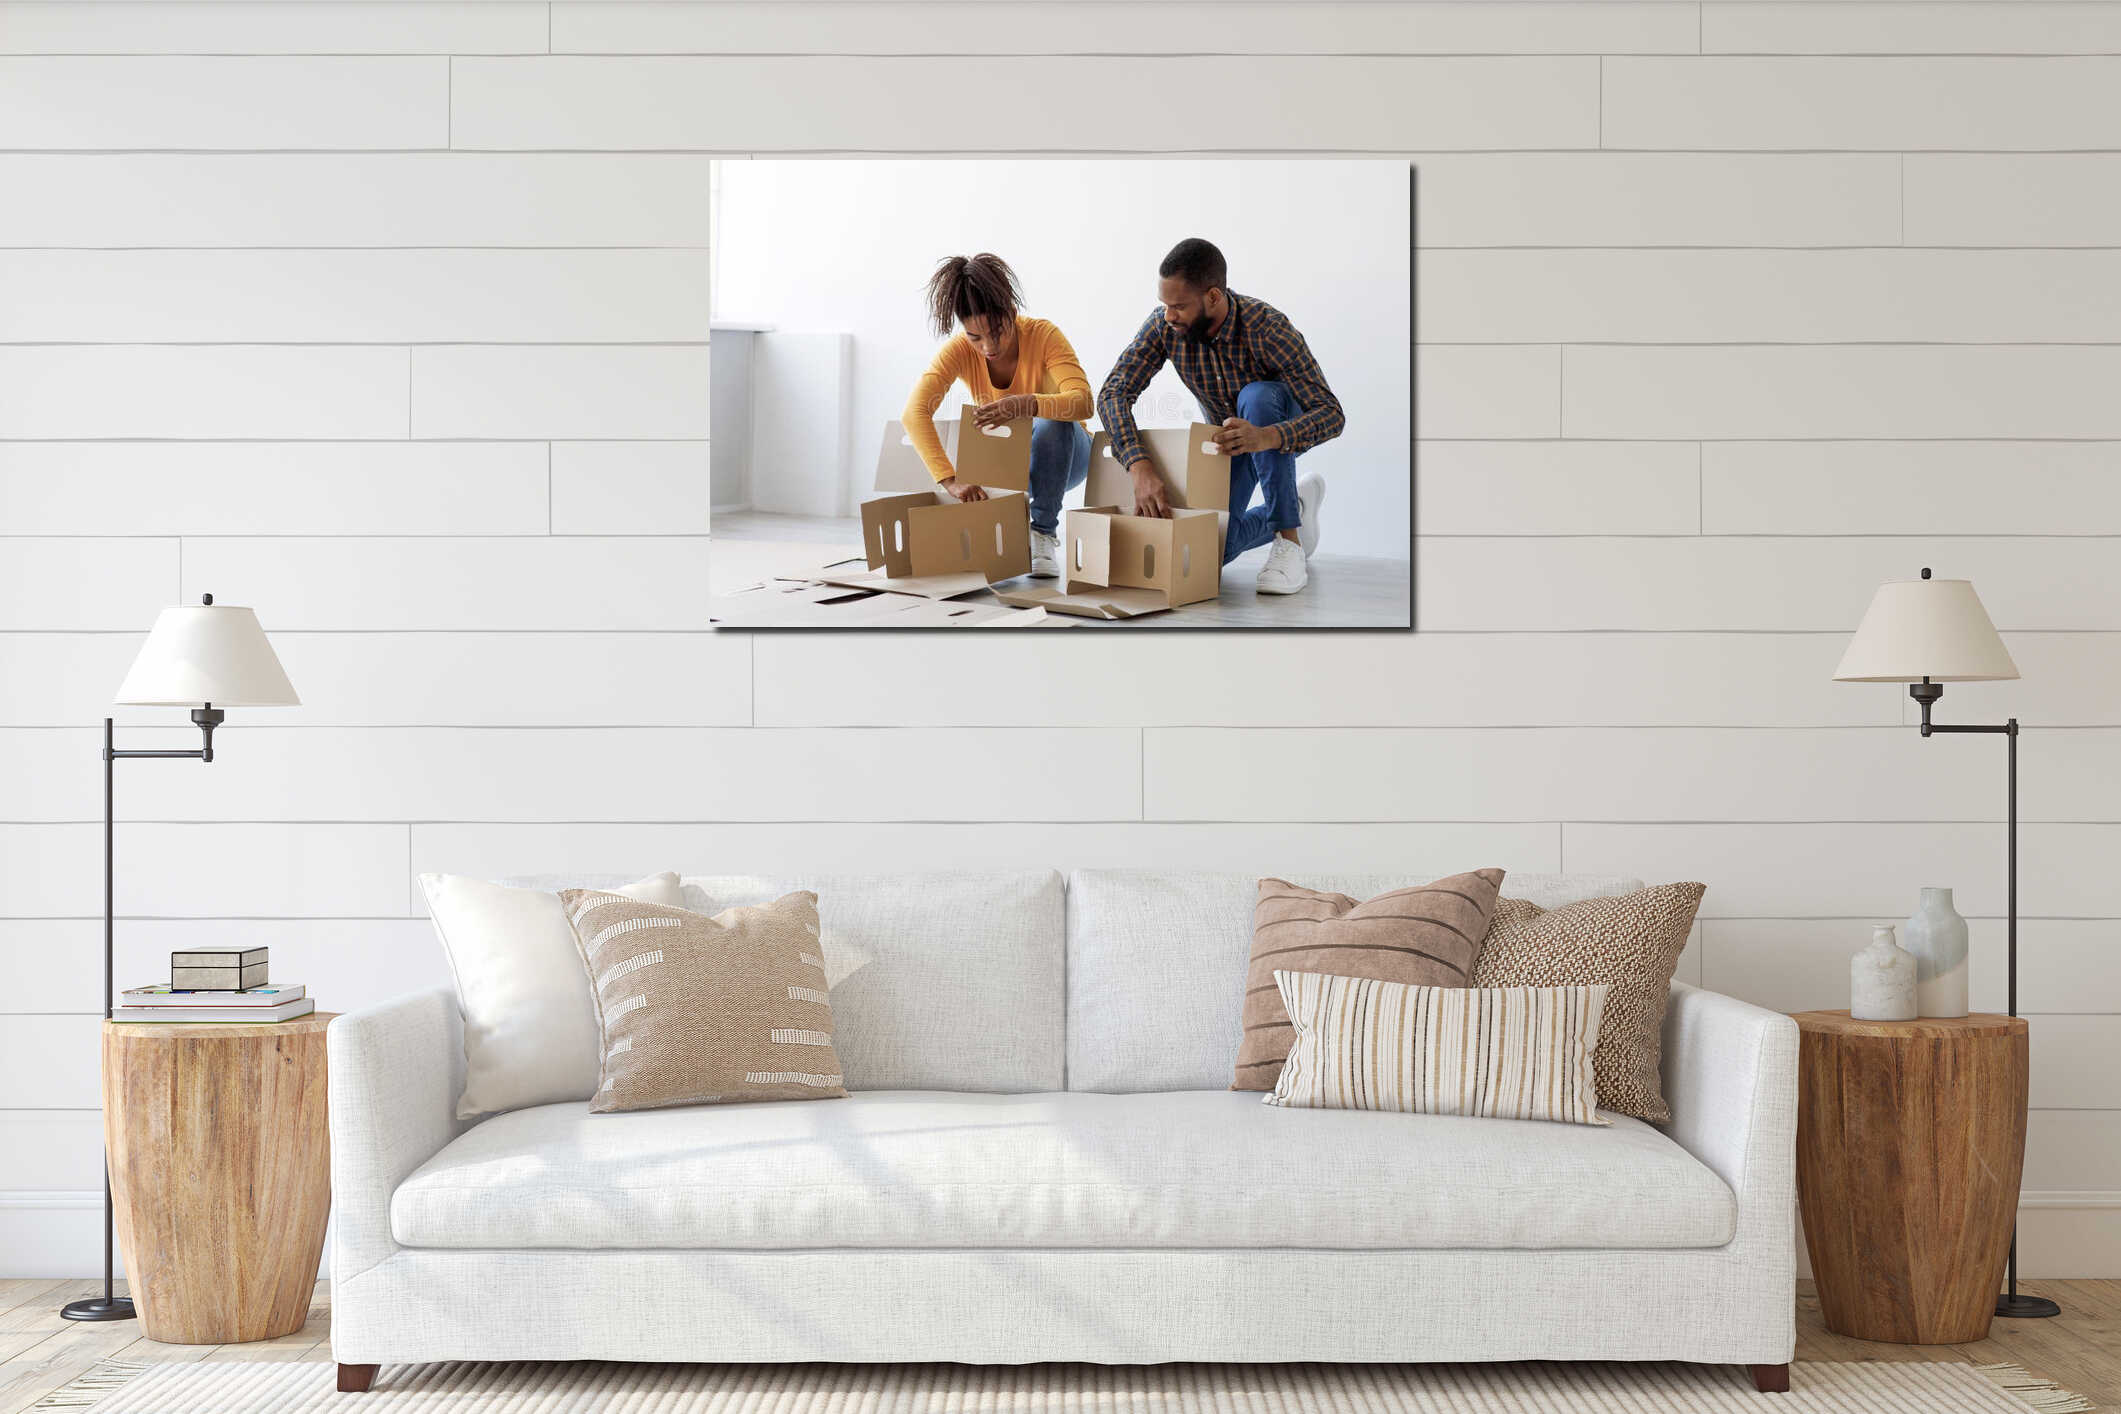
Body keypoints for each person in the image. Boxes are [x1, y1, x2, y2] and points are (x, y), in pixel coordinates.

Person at [1095, 238, 1340, 595]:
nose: (1168, 315)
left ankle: (1289, 542)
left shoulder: (1266, 327)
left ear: (1213, 297)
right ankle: (1298, 508)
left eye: (1178, 306)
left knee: (1255, 396)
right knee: (1204, 555)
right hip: (1226, 445)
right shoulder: (1165, 327)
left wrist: (1267, 437)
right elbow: (1113, 392)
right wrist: (1138, 465)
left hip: (1275, 428)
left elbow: (1332, 415)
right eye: (1164, 305)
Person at [902, 253, 1093, 578]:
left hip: (1068, 455)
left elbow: (1083, 402)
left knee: (1053, 422)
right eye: (975, 337)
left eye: (997, 332)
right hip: (1008, 466)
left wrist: (1024, 404)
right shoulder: (959, 351)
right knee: (977, 440)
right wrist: (949, 480)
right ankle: (1001, 535)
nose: (988, 346)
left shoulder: (1044, 335)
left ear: (1012, 314)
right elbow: (915, 413)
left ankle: (1043, 533)